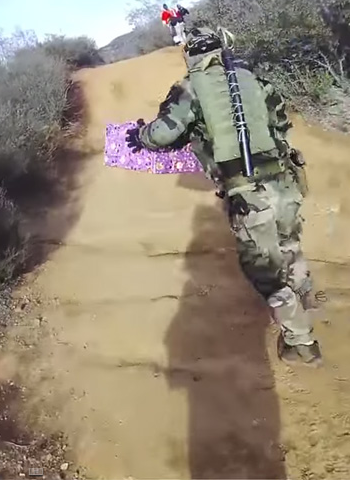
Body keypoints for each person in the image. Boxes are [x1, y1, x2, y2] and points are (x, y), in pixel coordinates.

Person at [125, 27, 323, 367]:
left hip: (248, 192)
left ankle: (301, 342)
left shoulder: (191, 87)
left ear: (191, 54)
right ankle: (306, 297)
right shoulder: (252, 79)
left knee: (263, 269)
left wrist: (140, 136)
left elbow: (163, 133)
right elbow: (280, 121)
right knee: (289, 242)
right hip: (283, 182)